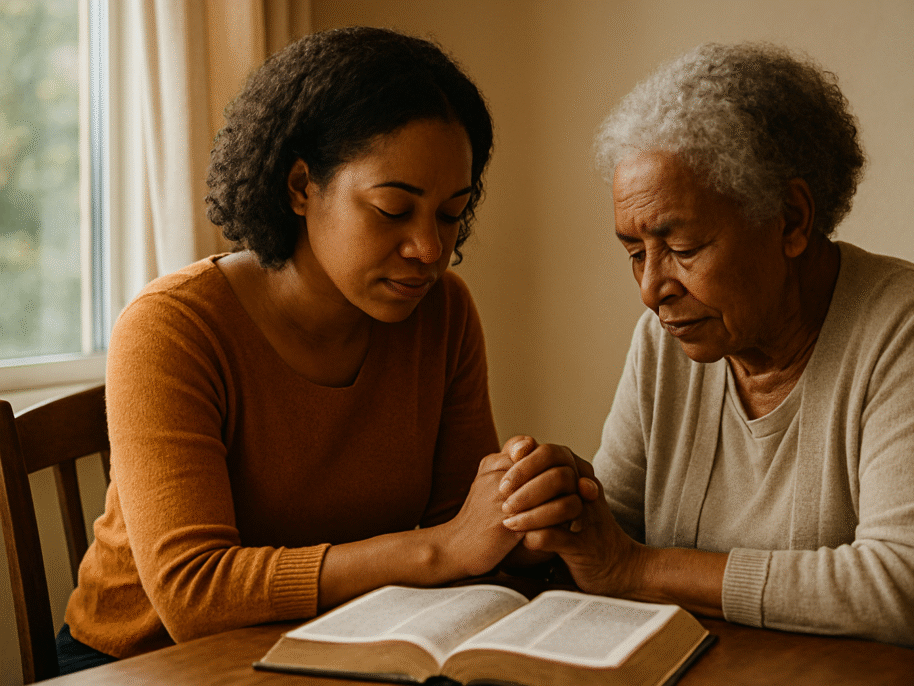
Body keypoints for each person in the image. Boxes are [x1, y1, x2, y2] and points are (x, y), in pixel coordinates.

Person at [58, 27, 578, 675]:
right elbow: (194, 594)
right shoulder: (173, 326)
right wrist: (439, 551)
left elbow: (458, 525)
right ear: (302, 186)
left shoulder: (442, 313)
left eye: (451, 214)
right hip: (150, 662)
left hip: (335, 646)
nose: (429, 249)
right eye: (393, 209)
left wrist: (525, 511)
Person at [500, 42, 914, 674]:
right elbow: (618, 526)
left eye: (683, 246)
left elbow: (904, 594)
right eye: (635, 251)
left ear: (791, 220)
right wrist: (557, 511)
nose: (651, 288)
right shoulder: (664, 340)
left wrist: (638, 568)